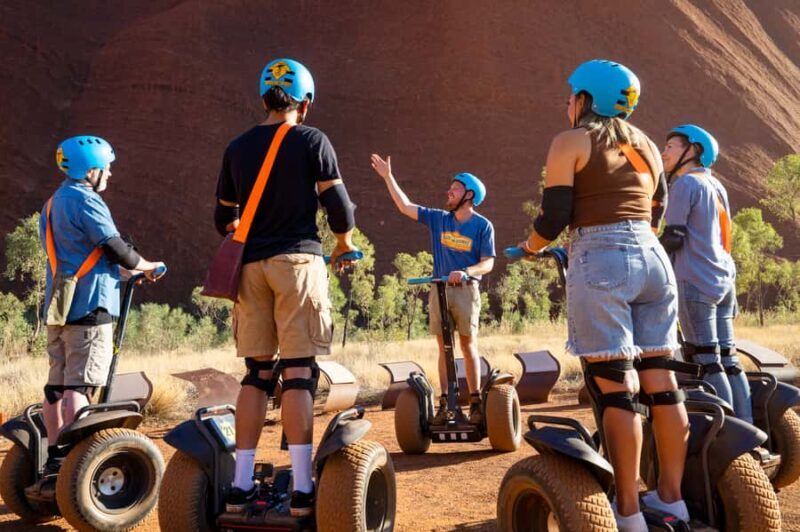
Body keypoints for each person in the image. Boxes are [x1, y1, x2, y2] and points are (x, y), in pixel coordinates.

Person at [518, 59, 689, 531]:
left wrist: (531, 248)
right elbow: (657, 212)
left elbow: (555, 216)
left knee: (617, 387)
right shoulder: (650, 146)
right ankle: (673, 501)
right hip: (653, 258)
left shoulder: (570, 141)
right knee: (661, 380)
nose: (566, 103)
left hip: (602, 253)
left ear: (586, 99)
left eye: (571, 95)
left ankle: (628, 511)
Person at [214, 58, 358, 517]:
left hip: (250, 269)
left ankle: (239, 488)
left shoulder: (237, 147)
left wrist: (253, 231)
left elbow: (223, 219)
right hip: (298, 261)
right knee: (298, 372)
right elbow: (339, 207)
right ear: (306, 103)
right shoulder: (311, 139)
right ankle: (301, 489)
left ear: (264, 98)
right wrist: (344, 243)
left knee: (256, 375)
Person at [30, 135, 164, 497]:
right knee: (82, 385)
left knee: (56, 384)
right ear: (90, 170)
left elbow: (78, 254)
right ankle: (78, 459)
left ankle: (56, 457)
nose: (109, 174)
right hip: (92, 304)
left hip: (60, 306)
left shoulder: (53, 203)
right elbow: (114, 246)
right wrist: (146, 265)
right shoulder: (87, 201)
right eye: (106, 168)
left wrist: (124, 272)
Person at [371, 155, 495, 425]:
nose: (449, 191)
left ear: (470, 195)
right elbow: (405, 206)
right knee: (444, 347)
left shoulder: (483, 225)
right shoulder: (439, 219)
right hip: (439, 289)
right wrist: (387, 177)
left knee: (467, 343)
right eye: (450, 187)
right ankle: (446, 403)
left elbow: (488, 263)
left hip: (465, 290)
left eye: (456, 188)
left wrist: (466, 272)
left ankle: (475, 402)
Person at [660, 124, 751, 422]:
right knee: (729, 360)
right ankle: (746, 427)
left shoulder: (685, 185)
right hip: (723, 280)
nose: (664, 152)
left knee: (707, 361)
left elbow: (674, 237)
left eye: (671, 146)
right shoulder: (716, 186)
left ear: (694, 150)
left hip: (695, 280)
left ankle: (729, 435)